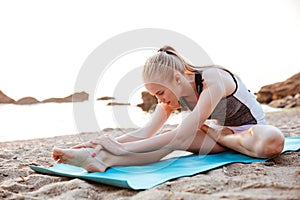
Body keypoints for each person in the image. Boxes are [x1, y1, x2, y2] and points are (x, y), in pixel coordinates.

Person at [52, 45, 284, 172]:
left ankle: (221, 136)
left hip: (250, 134)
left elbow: (183, 132)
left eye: (160, 93)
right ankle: (100, 160)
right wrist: (102, 145)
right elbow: (144, 133)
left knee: (272, 139)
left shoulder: (213, 79)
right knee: (169, 136)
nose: (160, 101)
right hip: (220, 139)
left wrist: (122, 149)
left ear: (177, 78)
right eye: (155, 95)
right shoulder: (172, 98)